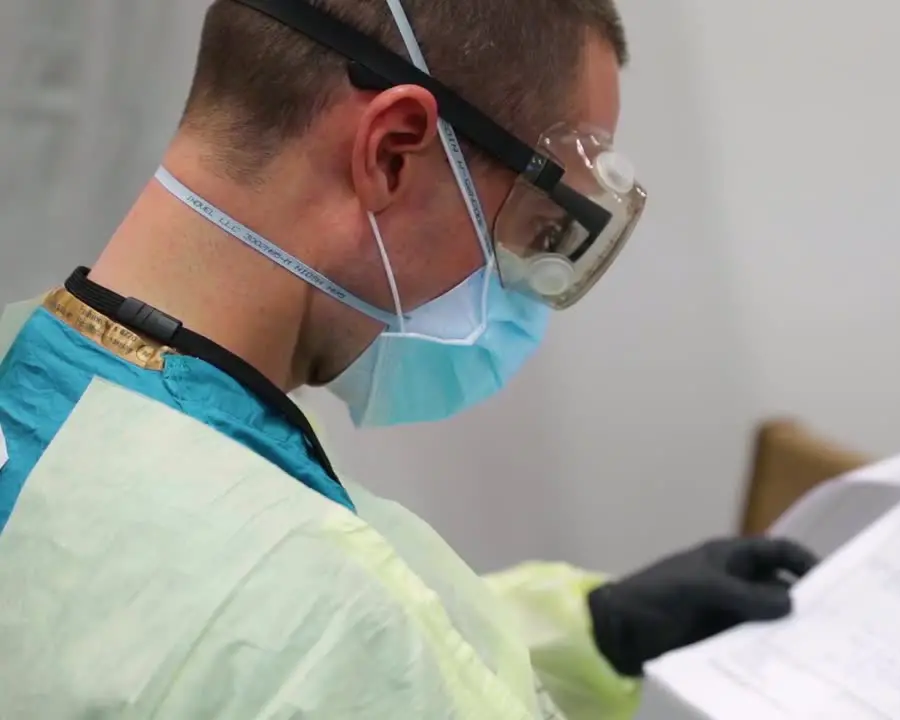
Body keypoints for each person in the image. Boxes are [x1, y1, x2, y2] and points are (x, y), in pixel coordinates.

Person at [0, 0, 819, 717]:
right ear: (392, 150)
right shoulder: (316, 612)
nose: (513, 285)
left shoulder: (33, 371)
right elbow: (311, 648)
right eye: (534, 228)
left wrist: (592, 632)